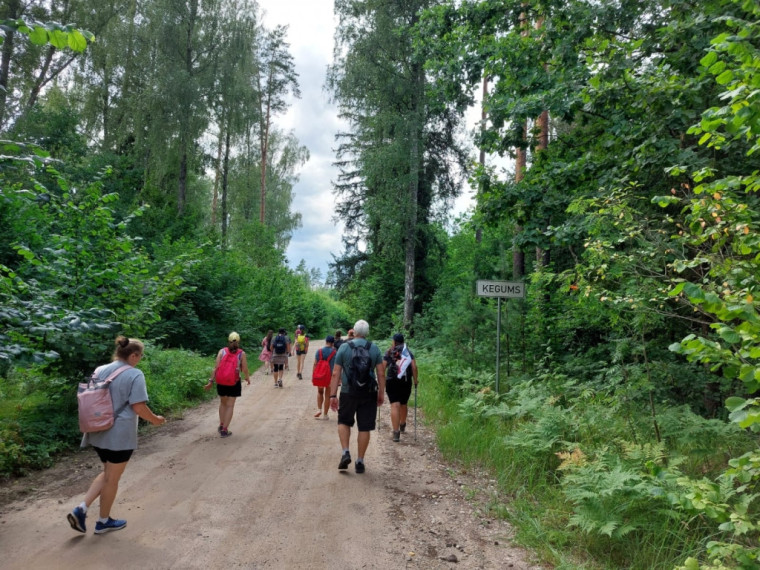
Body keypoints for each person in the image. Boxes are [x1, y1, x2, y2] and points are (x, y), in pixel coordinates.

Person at [67, 336, 166, 535]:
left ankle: (82, 509)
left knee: (107, 472)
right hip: (119, 435)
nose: (139, 360)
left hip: (97, 430)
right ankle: (102, 521)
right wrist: (155, 419)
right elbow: (138, 406)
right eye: (140, 356)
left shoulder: (100, 370)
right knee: (112, 478)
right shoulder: (135, 374)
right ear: (134, 355)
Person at [328, 320, 385, 474]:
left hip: (348, 392)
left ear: (354, 331)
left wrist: (333, 395)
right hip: (368, 392)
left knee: (344, 421)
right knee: (365, 427)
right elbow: (380, 373)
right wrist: (381, 393)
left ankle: (346, 452)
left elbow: (335, 373)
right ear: (367, 332)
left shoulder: (344, 347)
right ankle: (360, 461)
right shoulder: (374, 348)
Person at [204, 332, 250, 437]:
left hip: (221, 382)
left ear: (228, 341)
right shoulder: (241, 353)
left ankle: (221, 424)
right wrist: (247, 378)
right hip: (234, 382)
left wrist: (211, 381)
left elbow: (216, 368)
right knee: (230, 405)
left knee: (223, 403)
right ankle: (225, 430)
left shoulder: (222, 351)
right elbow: (245, 369)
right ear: (238, 342)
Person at [384, 333, 419, 442]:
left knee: (395, 405)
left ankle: (396, 432)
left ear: (394, 341)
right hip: (405, 381)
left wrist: (380, 379)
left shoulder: (390, 352)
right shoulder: (408, 353)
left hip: (392, 380)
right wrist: (415, 380)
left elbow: (383, 366)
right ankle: (402, 424)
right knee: (403, 403)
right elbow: (414, 367)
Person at [312, 335, 337, 419]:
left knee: (320, 392)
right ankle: (325, 415)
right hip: (329, 376)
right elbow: (336, 367)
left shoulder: (319, 351)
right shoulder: (334, 352)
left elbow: (315, 364)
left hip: (319, 376)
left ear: (326, 341)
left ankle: (319, 409)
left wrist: (313, 375)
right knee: (328, 395)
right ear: (332, 343)